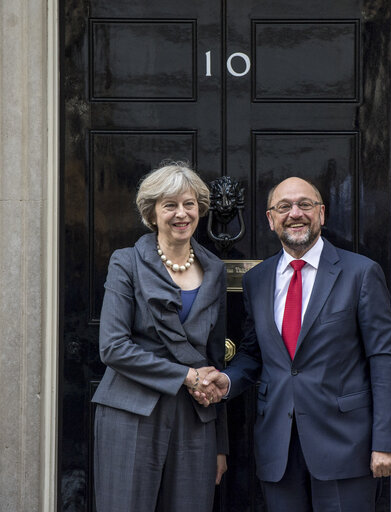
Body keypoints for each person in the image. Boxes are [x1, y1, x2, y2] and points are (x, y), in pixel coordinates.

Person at [198, 176, 391, 512]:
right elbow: (254, 354)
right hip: (278, 448)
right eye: (284, 207)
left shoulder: (361, 273)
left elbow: (385, 359)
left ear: (321, 214)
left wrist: (388, 442)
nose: (295, 213)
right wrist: (227, 381)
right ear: (270, 219)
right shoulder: (257, 279)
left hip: (345, 446)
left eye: (305, 204)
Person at [92, 162, 228, 512]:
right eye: (170, 205)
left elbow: (215, 358)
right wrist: (186, 376)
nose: (181, 213)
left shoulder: (214, 270)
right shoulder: (126, 263)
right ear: (151, 213)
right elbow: (113, 347)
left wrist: (220, 445)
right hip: (132, 410)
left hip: (196, 418)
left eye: (189, 203)